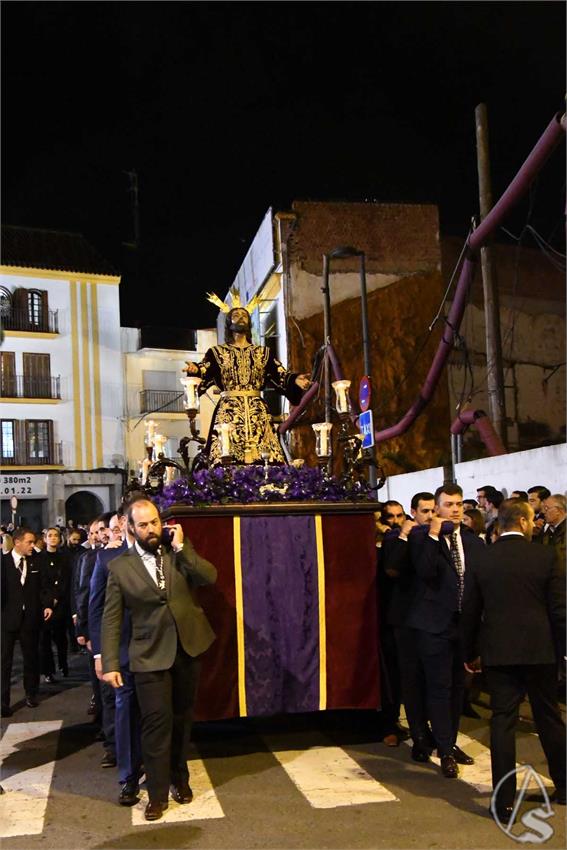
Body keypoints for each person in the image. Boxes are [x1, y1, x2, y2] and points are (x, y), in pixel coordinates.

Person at [102, 499, 217, 821]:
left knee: (182, 719)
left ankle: (180, 780)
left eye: (155, 522)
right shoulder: (119, 567)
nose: (152, 529)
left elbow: (209, 577)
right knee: (156, 724)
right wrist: (110, 662)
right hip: (148, 655)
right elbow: (111, 619)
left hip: (188, 648)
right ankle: (155, 793)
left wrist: (183, 549)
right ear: (130, 528)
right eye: (144, 525)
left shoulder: (178, 550)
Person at [462, 498, 566, 822]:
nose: (535, 524)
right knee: (548, 717)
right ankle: (564, 786)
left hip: (499, 651)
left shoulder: (482, 559)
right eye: (532, 520)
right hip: (541, 651)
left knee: (502, 722)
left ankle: (504, 802)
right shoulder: (547, 556)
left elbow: (470, 610)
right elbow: (559, 610)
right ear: (521, 522)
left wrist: (469, 653)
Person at [406, 483, 484, 778]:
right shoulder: (422, 537)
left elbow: (477, 584)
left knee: (456, 691)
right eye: (449, 504)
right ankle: (446, 750)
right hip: (432, 625)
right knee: (439, 688)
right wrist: (435, 534)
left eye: (459, 504)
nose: (455, 509)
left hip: (462, 627)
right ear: (436, 508)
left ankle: (448, 741)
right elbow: (425, 572)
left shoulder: (473, 541)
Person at [184, 304, 310, 465]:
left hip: (257, 412)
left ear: (249, 323)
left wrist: (295, 379)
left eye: (244, 315)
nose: (241, 317)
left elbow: (280, 374)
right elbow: (203, 370)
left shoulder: (263, 353)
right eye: (236, 315)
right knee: (225, 455)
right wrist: (194, 370)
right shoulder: (217, 353)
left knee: (267, 458)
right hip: (229, 411)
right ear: (229, 323)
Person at [90, 503, 144, 805]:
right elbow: (96, 609)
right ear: (125, 523)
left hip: (155, 652)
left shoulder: (161, 554)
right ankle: (128, 778)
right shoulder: (106, 558)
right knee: (125, 715)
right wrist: (101, 655)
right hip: (123, 654)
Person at [380, 492, 437, 759]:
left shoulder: (438, 537)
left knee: (430, 680)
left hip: (430, 619)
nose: (394, 520)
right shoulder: (395, 538)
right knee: (405, 678)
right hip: (402, 620)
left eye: (398, 516)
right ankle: (412, 732)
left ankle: (436, 733)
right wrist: (403, 534)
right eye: (390, 516)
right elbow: (391, 569)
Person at [1, 528, 53, 716]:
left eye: (34, 542)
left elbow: (45, 586)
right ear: (17, 542)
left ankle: (31, 694)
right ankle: (3, 702)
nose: (33, 546)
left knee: (31, 658)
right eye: (29, 542)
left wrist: (47, 604)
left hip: (30, 618)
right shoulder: (3, 562)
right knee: (4, 662)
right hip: (7, 619)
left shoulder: (37, 561)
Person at [39, 527, 71, 682]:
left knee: (60, 638)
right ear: (44, 539)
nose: (52, 538)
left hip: (61, 603)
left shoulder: (65, 557)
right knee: (45, 640)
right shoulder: (39, 559)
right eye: (49, 536)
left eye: (55, 536)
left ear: (60, 539)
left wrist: (57, 597)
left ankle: (63, 665)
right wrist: (48, 601)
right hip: (45, 604)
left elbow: (66, 580)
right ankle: (48, 671)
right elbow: (40, 582)